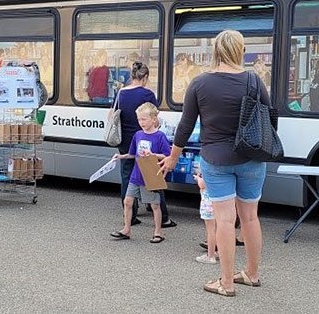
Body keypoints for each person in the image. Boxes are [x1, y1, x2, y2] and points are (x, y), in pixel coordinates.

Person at [158, 29, 268, 297]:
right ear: (240, 51)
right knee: (250, 218)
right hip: (252, 158)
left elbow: (185, 125)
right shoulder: (254, 81)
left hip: (216, 159)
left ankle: (227, 283)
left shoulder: (200, 83)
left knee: (225, 220)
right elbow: (269, 118)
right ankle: (252, 275)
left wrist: (173, 157)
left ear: (215, 52)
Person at [113, 61, 175, 228]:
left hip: (125, 140)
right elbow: (155, 117)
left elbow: (112, 114)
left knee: (127, 175)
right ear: (145, 77)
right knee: (152, 175)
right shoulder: (148, 94)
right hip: (147, 140)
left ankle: (130, 216)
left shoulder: (121, 93)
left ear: (132, 76)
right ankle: (163, 218)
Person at [110, 103, 171, 243]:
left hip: (150, 175)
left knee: (155, 205)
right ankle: (126, 229)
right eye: (139, 119)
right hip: (136, 175)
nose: (141, 123)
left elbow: (168, 156)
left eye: (144, 119)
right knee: (128, 201)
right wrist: (121, 156)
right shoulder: (137, 135)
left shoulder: (160, 136)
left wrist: (153, 154)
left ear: (154, 119)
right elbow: (132, 154)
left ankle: (158, 232)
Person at [195, 172, 218, 264]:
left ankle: (210, 255)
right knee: (218, 230)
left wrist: (198, 178)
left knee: (210, 231)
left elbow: (202, 185)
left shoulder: (209, 170)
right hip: (218, 205)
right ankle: (218, 252)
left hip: (208, 207)